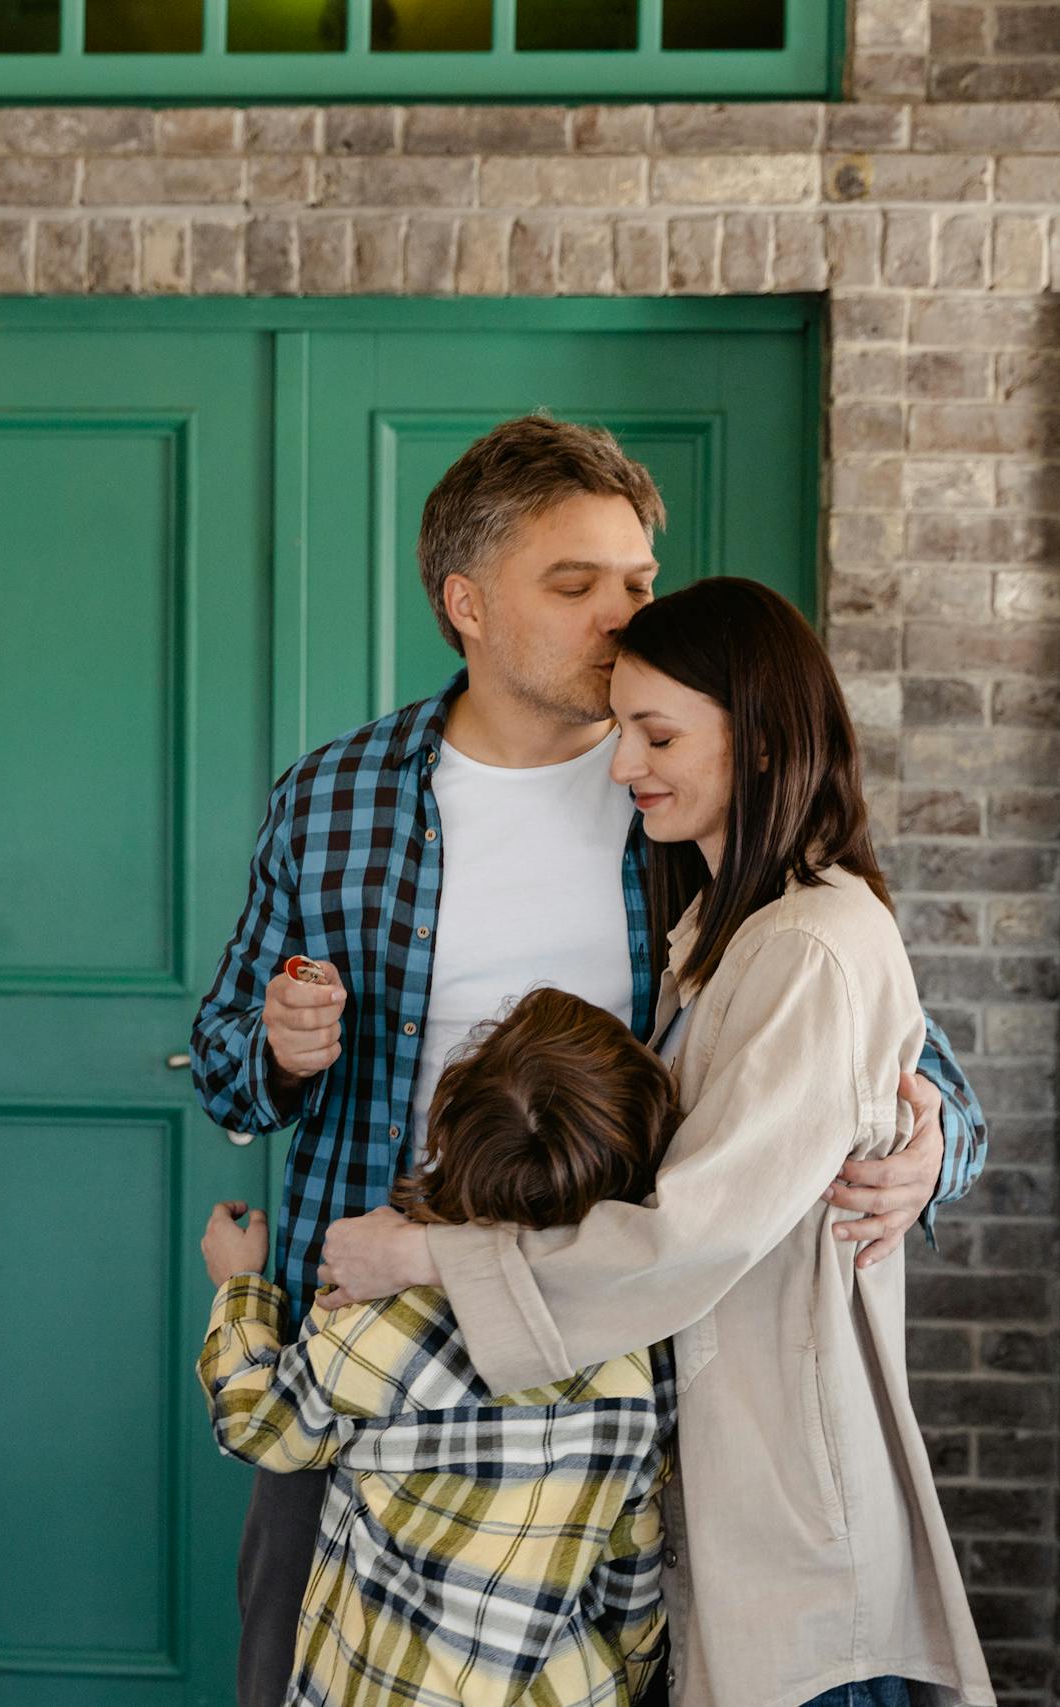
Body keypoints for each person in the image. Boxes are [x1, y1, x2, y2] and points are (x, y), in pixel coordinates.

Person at [189, 415, 990, 1707]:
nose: (622, 619)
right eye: (576, 586)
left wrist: (935, 1142)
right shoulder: (332, 798)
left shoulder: (684, 786)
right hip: (363, 1348)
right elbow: (224, 1066)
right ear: (467, 603)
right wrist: (278, 1057)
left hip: (618, 1381)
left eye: (639, 583)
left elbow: (883, 1038)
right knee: (311, 1666)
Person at [198, 986, 681, 1707]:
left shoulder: (387, 1319)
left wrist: (239, 1285)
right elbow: (633, 1574)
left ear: (449, 1132)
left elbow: (255, 1419)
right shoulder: (632, 1353)